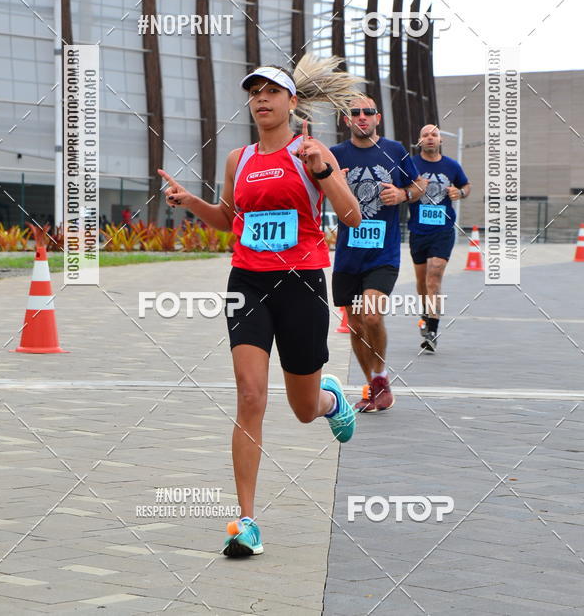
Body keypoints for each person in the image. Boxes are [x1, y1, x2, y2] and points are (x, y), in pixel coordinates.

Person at [158, 54, 362, 558]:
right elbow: (227, 219)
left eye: (271, 92)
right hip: (247, 282)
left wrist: (324, 171)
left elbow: (352, 217)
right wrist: (189, 202)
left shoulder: (310, 151)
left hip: (303, 284)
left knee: (301, 409)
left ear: (292, 102)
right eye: (254, 93)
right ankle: (247, 522)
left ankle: (330, 400)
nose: (261, 100)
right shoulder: (239, 159)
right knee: (251, 396)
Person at [330, 97, 424, 413]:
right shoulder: (336, 154)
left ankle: (381, 378)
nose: (361, 117)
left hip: (382, 254)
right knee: (356, 327)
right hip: (347, 256)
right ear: (347, 120)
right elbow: (319, 194)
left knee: (372, 316)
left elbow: (419, 187)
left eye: (367, 112)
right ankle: (372, 385)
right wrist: (335, 186)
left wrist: (402, 194)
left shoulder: (395, 151)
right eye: (354, 112)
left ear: (377, 118)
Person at [408, 124, 471, 353]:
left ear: (441, 140)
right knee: (422, 281)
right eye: (425, 135)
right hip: (418, 230)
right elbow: (401, 188)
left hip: (443, 230)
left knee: (435, 274)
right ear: (420, 140)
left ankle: (432, 330)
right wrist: (412, 189)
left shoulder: (452, 166)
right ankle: (426, 312)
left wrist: (460, 193)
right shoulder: (412, 164)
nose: (430, 138)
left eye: (434, 135)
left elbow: (466, 185)